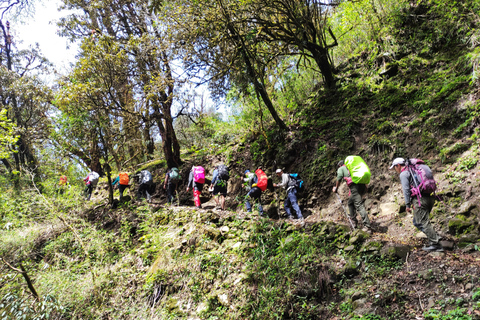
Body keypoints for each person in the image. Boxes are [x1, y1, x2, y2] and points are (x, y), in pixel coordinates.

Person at [390, 157, 443, 252]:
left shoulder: (404, 173)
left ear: (398, 165)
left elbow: (406, 190)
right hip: (430, 197)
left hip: (419, 200)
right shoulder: (414, 170)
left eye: (395, 167)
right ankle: (435, 237)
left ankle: (436, 243)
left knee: (423, 222)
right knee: (416, 221)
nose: (395, 170)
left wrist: (407, 205)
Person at [333, 160, 371, 231]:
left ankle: (367, 226)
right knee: (350, 203)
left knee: (359, 205)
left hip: (354, 187)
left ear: (340, 165)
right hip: (361, 185)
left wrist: (336, 188)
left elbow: (339, 178)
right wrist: (366, 186)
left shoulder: (341, 168)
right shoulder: (352, 167)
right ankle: (354, 222)